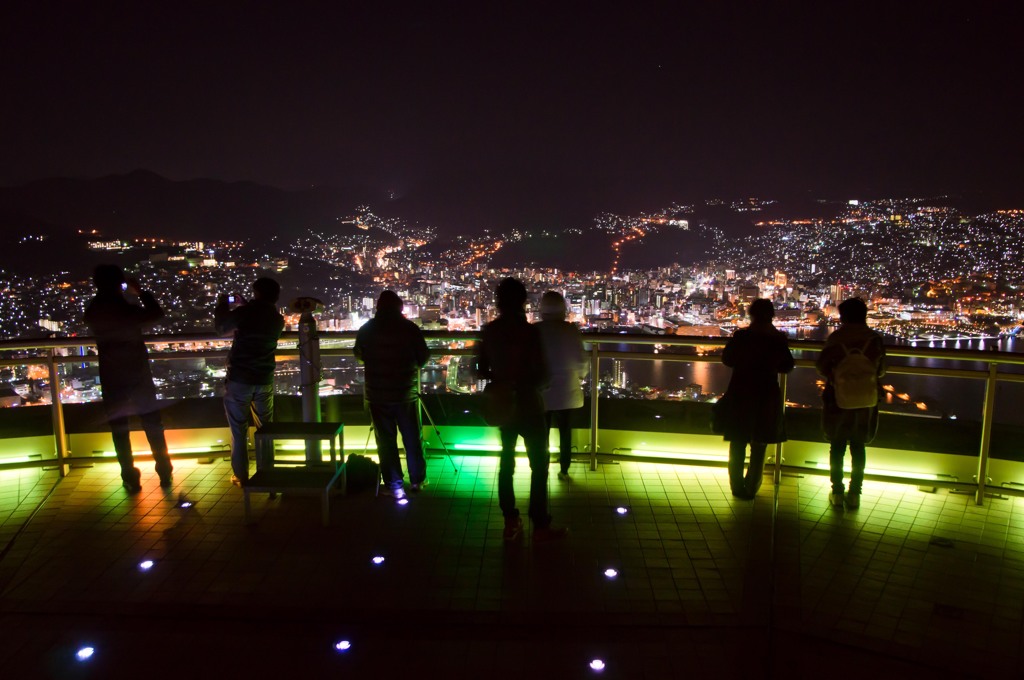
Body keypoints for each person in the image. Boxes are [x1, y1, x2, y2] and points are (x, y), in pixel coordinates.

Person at [476, 278, 567, 543]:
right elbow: (544, 374)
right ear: (524, 301)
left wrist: (500, 380)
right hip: (529, 404)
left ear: (498, 302)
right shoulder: (530, 333)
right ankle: (540, 524)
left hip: (503, 404)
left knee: (506, 463)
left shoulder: (490, 331)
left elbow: (480, 369)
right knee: (539, 465)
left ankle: (510, 521)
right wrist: (529, 384)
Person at [83, 264, 173, 493]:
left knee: (120, 429)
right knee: (152, 423)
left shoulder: (94, 310)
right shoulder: (125, 309)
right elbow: (156, 314)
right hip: (137, 372)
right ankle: (164, 470)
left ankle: (130, 477)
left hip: (112, 375)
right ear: (119, 283)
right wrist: (141, 293)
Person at [354, 291, 430, 500]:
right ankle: (417, 480)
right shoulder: (409, 329)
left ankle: (394, 485)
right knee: (412, 437)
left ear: (378, 307)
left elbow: (359, 354)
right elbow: (423, 356)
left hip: (377, 393)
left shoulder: (367, 329)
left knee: (386, 442)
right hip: (405, 392)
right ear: (400, 308)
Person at [720, 299, 795, 500]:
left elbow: (727, 359)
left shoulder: (742, 336)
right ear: (771, 316)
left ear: (751, 315)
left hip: (741, 391)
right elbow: (787, 366)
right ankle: (752, 487)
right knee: (759, 443)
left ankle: (737, 487)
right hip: (766, 393)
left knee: (737, 442)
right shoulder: (777, 339)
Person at [816, 297, 886, 509]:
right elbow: (881, 370)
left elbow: (821, 367)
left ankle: (837, 492)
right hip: (865, 399)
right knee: (858, 446)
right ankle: (855, 493)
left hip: (838, 397)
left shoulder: (837, 339)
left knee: (837, 446)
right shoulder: (874, 340)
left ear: (843, 316)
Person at [215, 277, 285, 486]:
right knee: (265, 429)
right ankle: (267, 472)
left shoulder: (246, 314)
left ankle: (242, 476)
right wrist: (248, 304)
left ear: (256, 292)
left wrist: (222, 305)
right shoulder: (277, 319)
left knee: (239, 429)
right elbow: (259, 317)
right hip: (264, 379)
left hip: (240, 379)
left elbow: (221, 327)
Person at [535, 290, 588, 481]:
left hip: (542, 392)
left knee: (542, 434)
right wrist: (578, 377)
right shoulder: (570, 330)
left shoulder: (536, 330)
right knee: (566, 433)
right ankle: (564, 469)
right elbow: (581, 361)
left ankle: (542, 467)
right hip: (567, 391)